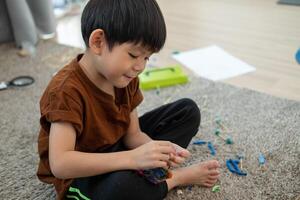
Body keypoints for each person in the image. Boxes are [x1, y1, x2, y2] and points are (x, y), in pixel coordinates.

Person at [37, 0, 220, 199]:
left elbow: (133, 135)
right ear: (98, 42)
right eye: (134, 55)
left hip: (117, 147)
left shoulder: (125, 77)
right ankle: (175, 179)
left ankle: (147, 174)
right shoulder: (66, 91)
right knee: (121, 189)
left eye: (147, 58)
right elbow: (61, 165)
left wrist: (158, 150)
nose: (140, 66)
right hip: (82, 175)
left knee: (187, 111)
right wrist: (132, 159)